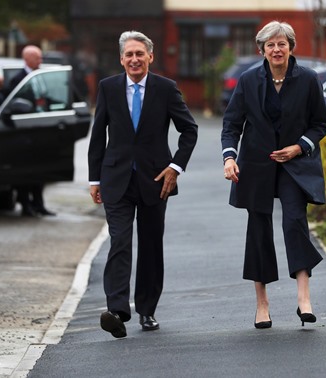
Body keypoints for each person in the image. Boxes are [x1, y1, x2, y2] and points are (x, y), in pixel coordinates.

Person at [88, 31, 198, 338]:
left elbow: (189, 130)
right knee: (119, 241)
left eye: (140, 54)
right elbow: (98, 136)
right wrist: (94, 178)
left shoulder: (166, 89)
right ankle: (117, 310)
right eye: (129, 55)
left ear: (150, 56)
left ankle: (147, 310)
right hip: (116, 179)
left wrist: (176, 167)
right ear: (121, 59)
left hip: (155, 180)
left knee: (150, 246)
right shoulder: (108, 88)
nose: (134, 59)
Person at [222, 21, 326, 329]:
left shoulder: (308, 79)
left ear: (291, 47)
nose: (277, 49)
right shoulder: (247, 80)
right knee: (258, 228)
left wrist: (298, 147)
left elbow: (321, 124)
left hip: (294, 164)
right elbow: (231, 125)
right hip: (255, 164)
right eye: (270, 45)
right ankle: (262, 304)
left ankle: (304, 298)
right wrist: (230, 158)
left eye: (282, 44)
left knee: (294, 220)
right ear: (262, 50)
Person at [4, 45, 56, 217]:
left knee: (40, 170)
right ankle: (26, 204)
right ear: (27, 59)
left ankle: (39, 204)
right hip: (25, 131)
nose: (40, 61)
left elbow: (45, 98)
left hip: (40, 129)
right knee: (27, 171)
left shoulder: (40, 77)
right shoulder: (17, 79)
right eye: (37, 58)